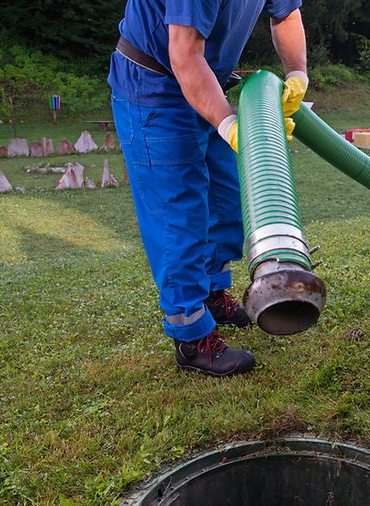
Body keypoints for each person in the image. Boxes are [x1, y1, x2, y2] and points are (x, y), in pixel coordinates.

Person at [108, 0, 309, 377]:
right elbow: (184, 53)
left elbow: (286, 14)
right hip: (157, 86)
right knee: (178, 215)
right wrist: (227, 123)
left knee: (225, 200)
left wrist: (297, 73)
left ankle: (213, 295)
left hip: (210, 81)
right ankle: (192, 338)